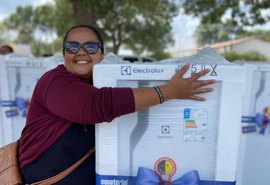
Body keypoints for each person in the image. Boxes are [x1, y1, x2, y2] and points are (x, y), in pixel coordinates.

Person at [18, 25, 216, 185]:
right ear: (63, 54)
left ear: (101, 55)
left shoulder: (100, 82)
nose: (81, 52)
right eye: (72, 46)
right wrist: (169, 91)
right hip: (45, 178)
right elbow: (96, 106)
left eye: (91, 47)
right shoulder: (54, 81)